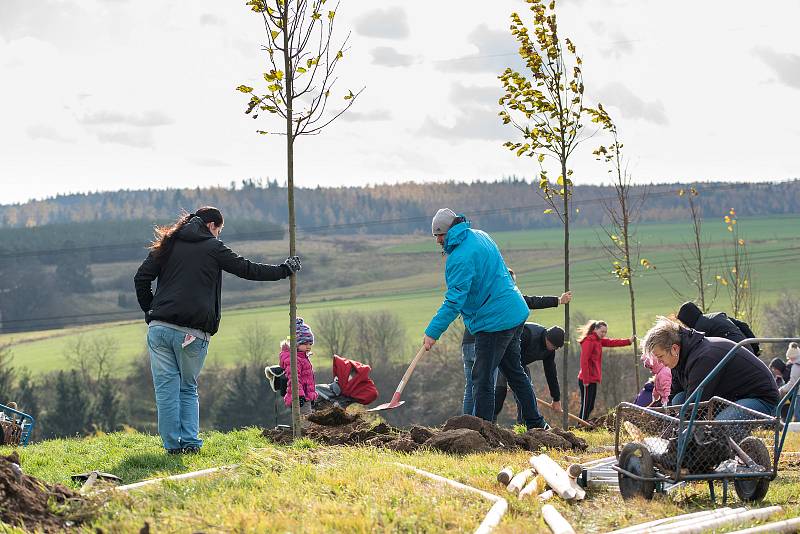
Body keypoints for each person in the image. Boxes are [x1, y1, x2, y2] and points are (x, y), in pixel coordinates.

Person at [134, 207, 300, 454]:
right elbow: (247, 269)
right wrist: (284, 270)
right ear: (211, 225)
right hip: (191, 332)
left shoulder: (169, 243)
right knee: (187, 387)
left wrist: (151, 310)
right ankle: (190, 444)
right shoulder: (212, 247)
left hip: (159, 329)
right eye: (219, 230)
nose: (218, 235)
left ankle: (171, 447)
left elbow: (141, 277)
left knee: (166, 390)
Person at [422, 208, 546, 429]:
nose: (438, 240)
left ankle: (483, 431)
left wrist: (433, 332)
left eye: (441, 235)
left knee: (482, 379)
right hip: (514, 311)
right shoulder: (480, 235)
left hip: (494, 322)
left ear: (451, 229)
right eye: (435, 236)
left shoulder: (460, 257)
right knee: (515, 372)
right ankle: (536, 423)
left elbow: (454, 301)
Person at [461, 267, 571, 416]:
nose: (513, 288)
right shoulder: (504, 297)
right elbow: (531, 301)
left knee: (472, 386)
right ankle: (478, 425)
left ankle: (467, 423)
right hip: (484, 343)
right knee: (486, 386)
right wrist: (558, 300)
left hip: (468, 341)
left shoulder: (483, 293)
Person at [642, 317, 778, 420]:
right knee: (679, 399)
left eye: (660, 356)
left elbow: (695, 406)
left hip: (759, 398)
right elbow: (674, 398)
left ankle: (724, 455)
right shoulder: (678, 362)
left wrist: (674, 436)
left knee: (719, 428)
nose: (660, 362)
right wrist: (662, 417)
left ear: (674, 348)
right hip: (729, 397)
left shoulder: (703, 358)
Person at [494, 324, 565, 423]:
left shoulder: (550, 350)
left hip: (520, 364)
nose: (553, 349)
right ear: (547, 338)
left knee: (527, 391)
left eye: (556, 348)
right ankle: (489, 422)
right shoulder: (528, 334)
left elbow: (551, 373)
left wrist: (556, 398)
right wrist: (512, 380)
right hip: (504, 358)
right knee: (499, 391)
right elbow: (510, 351)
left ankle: (524, 424)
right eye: (553, 346)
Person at [577, 320, 633, 420]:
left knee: (590, 406)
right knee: (586, 405)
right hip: (586, 379)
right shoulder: (589, 341)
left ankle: (583, 424)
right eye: (602, 331)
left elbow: (612, 342)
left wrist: (628, 341)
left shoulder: (598, 341)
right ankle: (580, 424)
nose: (603, 334)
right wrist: (586, 380)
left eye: (605, 332)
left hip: (593, 379)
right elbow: (584, 361)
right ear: (595, 329)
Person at [676, 301, 760, 356]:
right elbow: (743, 325)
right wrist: (755, 347)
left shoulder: (699, 330)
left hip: (736, 357)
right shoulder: (718, 315)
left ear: (688, 320)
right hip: (748, 351)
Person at [279, 318, 318, 414]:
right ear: (295, 344)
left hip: (305, 396)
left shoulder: (303, 357)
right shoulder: (294, 359)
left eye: (310, 343)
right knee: (305, 422)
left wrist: (311, 395)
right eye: (304, 343)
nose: (308, 346)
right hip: (300, 397)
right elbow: (294, 378)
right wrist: (299, 396)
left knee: (307, 420)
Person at [779, 342, 800, 422]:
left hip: (799, 394)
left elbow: (792, 384)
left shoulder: (796, 366)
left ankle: (797, 433)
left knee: (798, 417)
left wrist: (782, 389)